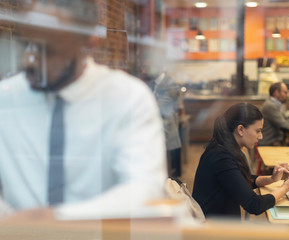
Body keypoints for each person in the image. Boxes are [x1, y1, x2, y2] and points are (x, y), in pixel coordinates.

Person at [0, 1, 167, 219]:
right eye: (26, 45)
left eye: (48, 50)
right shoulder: (6, 99)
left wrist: (57, 218)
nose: (29, 60)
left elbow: (145, 190)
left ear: (89, 43)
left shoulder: (127, 98)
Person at [192, 103, 289, 218]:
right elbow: (254, 205)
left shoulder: (223, 148)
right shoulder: (222, 157)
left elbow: (238, 181)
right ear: (241, 129)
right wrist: (286, 187)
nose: (260, 136)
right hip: (214, 230)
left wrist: (271, 179)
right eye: (258, 131)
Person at [140, 52, 182, 177]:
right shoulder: (150, 83)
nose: (144, 70)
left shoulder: (171, 85)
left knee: (166, 177)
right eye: (143, 67)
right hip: (154, 138)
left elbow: (156, 109)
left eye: (147, 67)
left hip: (166, 137)